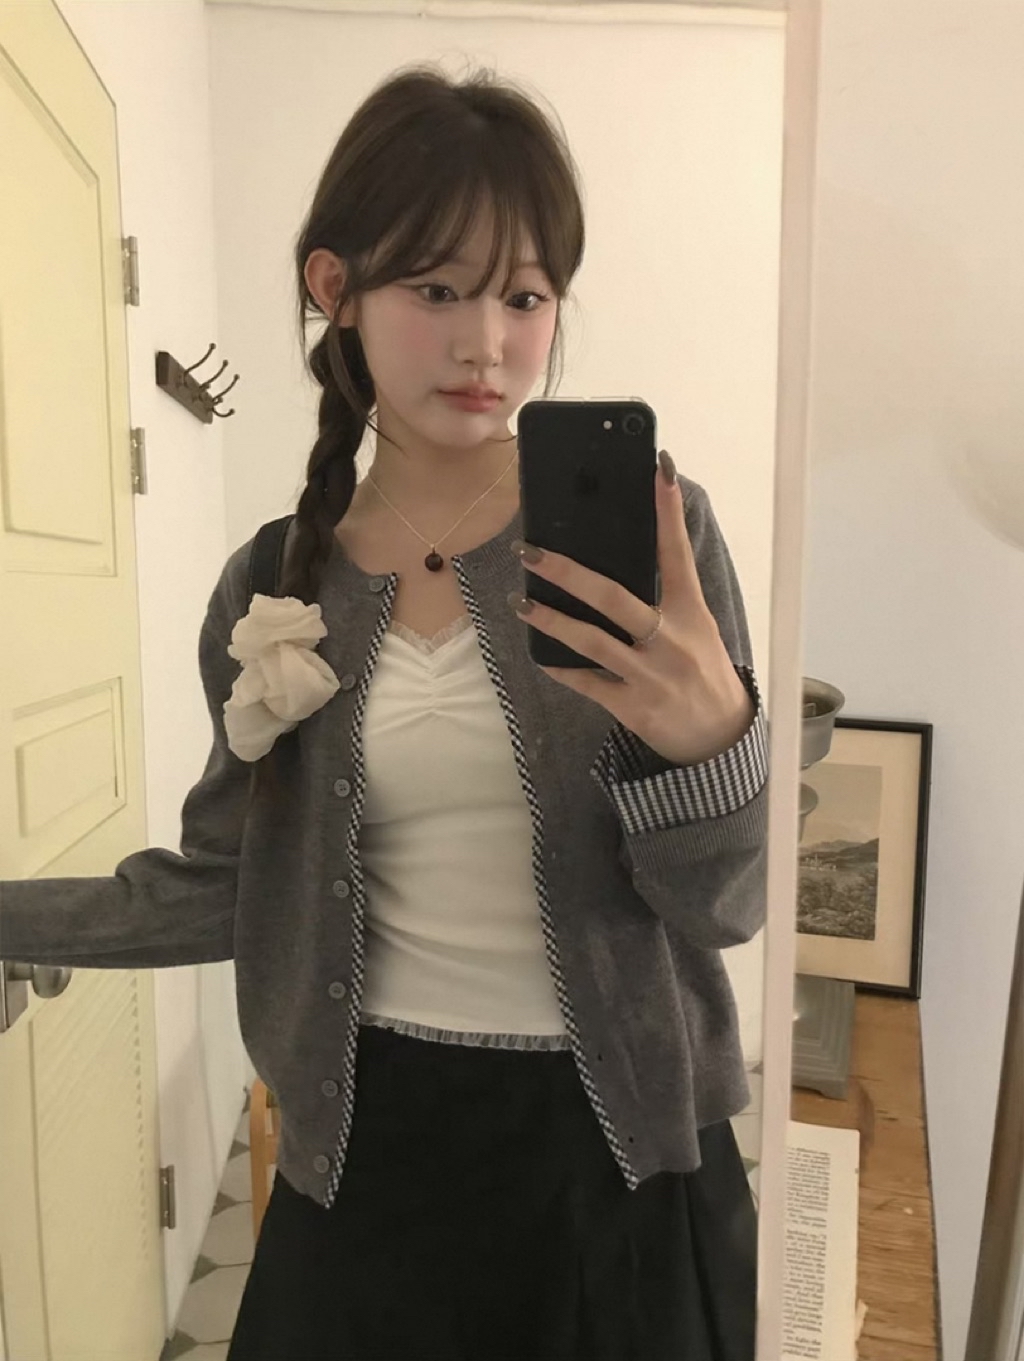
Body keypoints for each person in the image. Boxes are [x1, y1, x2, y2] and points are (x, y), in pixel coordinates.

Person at [1, 63, 769, 1361]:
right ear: (335, 285)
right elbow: (227, 883)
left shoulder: (653, 532)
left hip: (619, 1154)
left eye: (525, 296)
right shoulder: (272, 582)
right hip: (363, 1149)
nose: (487, 344)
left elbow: (726, 906)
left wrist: (711, 748)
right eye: (437, 289)